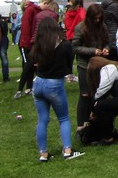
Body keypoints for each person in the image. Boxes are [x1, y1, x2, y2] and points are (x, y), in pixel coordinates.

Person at [31, 17, 81, 161]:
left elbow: (32, 60)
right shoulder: (64, 45)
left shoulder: (38, 45)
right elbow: (68, 64)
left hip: (39, 83)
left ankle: (43, 153)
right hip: (54, 84)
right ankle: (67, 150)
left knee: (42, 120)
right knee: (64, 118)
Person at [72, 4, 110, 131]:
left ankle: (94, 121)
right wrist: (92, 51)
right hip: (84, 66)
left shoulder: (103, 27)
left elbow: (107, 43)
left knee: (98, 95)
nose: (97, 21)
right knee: (84, 95)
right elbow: (75, 47)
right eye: (95, 18)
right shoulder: (80, 28)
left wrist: (106, 49)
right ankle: (81, 124)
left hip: (99, 65)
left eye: (99, 18)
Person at [14, 0, 40, 99]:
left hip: (28, 43)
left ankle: (25, 88)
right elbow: (27, 28)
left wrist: (27, 43)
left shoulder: (29, 11)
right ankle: (25, 88)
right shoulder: (33, 10)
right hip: (29, 43)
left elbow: (26, 28)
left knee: (29, 66)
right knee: (30, 66)